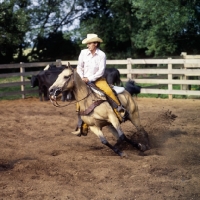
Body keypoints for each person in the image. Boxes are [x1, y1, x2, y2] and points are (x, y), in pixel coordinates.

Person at [72, 33, 126, 136]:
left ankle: (119, 111)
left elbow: (101, 72)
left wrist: (89, 79)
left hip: (98, 80)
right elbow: (79, 67)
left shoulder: (102, 55)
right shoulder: (83, 53)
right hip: (83, 80)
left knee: (109, 91)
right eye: (87, 44)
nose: (87, 45)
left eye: (89, 43)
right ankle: (81, 126)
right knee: (79, 101)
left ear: (95, 44)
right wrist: (82, 77)